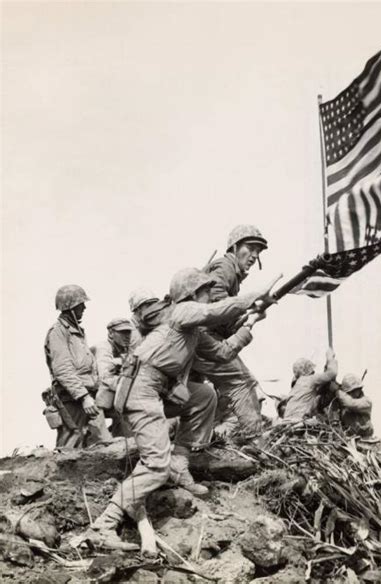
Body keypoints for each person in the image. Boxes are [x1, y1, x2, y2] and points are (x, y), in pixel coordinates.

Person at [89, 268, 276, 556]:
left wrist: (249, 323)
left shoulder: (192, 331)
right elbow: (217, 311)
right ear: (190, 295)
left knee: (203, 395)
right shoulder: (181, 312)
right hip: (141, 390)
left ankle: (180, 460)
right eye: (204, 291)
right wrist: (254, 297)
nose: (208, 296)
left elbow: (225, 353)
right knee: (154, 466)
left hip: (158, 389)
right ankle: (103, 525)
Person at [192, 224, 270, 440]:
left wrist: (247, 315)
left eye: (258, 251)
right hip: (203, 340)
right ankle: (256, 443)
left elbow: (222, 315)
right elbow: (215, 297)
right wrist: (246, 307)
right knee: (241, 382)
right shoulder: (226, 267)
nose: (254, 255)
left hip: (202, 340)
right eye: (250, 248)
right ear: (235, 247)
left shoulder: (232, 273)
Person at [44, 285, 111, 448]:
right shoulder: (58, 332)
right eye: (81, 304)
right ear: (70, 307)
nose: (84, 307)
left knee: (102, 444)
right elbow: (63, 369)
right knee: (71, 446)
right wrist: (83, 397)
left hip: (88, 395)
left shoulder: (76, 332)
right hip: (72, 399)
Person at [95, 318, 134, 437]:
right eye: (122, 333)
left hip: (114, 396)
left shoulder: (127, 349)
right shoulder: (103, 347)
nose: (126, 336)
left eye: (128, 332)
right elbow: (105, 377)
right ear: (111, 333)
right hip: (94, 397)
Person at [283, 348, 338, 422]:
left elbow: (318, 391)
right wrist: (330, 358)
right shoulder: (310, 379)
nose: (313, 372)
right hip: (299, 420)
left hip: (287, 421)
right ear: (307, 369)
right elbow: (332, 373)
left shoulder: (297, 385)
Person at [335, 373, 374, 438]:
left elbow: (351, 403)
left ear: (359, 389)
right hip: (350, 439)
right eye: (348, 392)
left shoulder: (367, 402)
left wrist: (337, 391)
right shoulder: (344, 402)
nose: (351, 394)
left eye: (353, 391)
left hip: (366, 439)